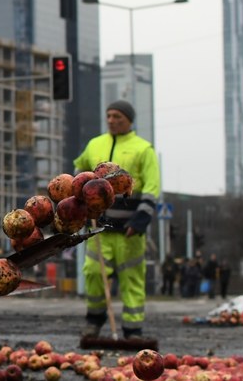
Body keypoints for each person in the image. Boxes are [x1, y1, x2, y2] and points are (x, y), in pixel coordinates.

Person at [74, 100, 160, 340]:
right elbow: (79, 172)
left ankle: (133, 330)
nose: (111, 120)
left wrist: (141, 219)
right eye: (109, 116)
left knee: (131, 279)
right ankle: (94, 321)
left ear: (129, 120)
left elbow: (152, 188)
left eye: (117, 116)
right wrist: (79, 202)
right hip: (98, 228)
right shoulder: (95, 145)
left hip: (129, 230)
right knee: (93, 273)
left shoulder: (143, 149)